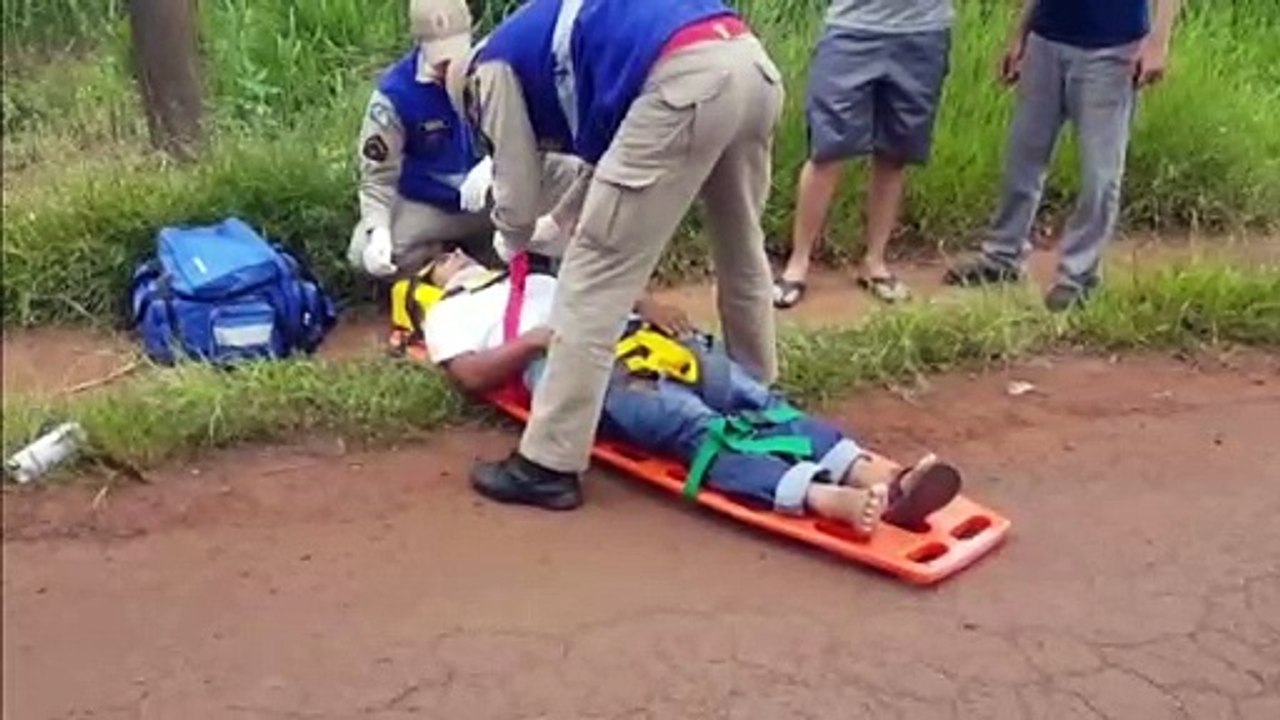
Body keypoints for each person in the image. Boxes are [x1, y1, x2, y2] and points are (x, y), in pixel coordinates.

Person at [440, 0, 787, 509]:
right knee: (741, 248)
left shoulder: (489, 69)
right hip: (749, 66)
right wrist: (559, 221)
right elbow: (603, 164)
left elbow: (515, 182)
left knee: (593, 279)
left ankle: (548, 463)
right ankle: (756, 391)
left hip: (684, 82)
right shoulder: (547, 40)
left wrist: (512, 236)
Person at [418, 248, 964, 533]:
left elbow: (602, 284)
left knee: (755, 401)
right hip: (577, 365)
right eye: (440, 259)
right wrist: (536, 340)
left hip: (642, 338)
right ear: (429, 282)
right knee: (699, 428)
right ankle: (824, 497)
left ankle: (880, 475)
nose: (456, 255)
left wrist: (644, 304)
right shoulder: (448, 313)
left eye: (456, 250)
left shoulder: (535, 277)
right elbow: (472, 376)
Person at [944, 0, 1183, 311]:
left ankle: (1079, 276)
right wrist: (1020, 34)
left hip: (1112, 48)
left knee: (1100, 173)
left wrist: (1158, 42)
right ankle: (1002, 256)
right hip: (1046, 39)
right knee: (1022, 157)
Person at [348, 0, 583, 280]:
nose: (449, 68)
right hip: (436, 207)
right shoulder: (395, 96)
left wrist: (497, 158)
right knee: (363, 249)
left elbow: (546, 134)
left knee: (575, 177)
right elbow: (377, 178)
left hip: (505, 189)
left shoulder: (502, 61)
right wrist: (379, 232)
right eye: (440, 61)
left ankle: (560, 261)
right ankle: (442, 264)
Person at [773, 0, 955, 308]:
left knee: (895, 153)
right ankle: (798, 264)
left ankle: (875, 263)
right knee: (827, 151)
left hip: (924, 32)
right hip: (853, 27)